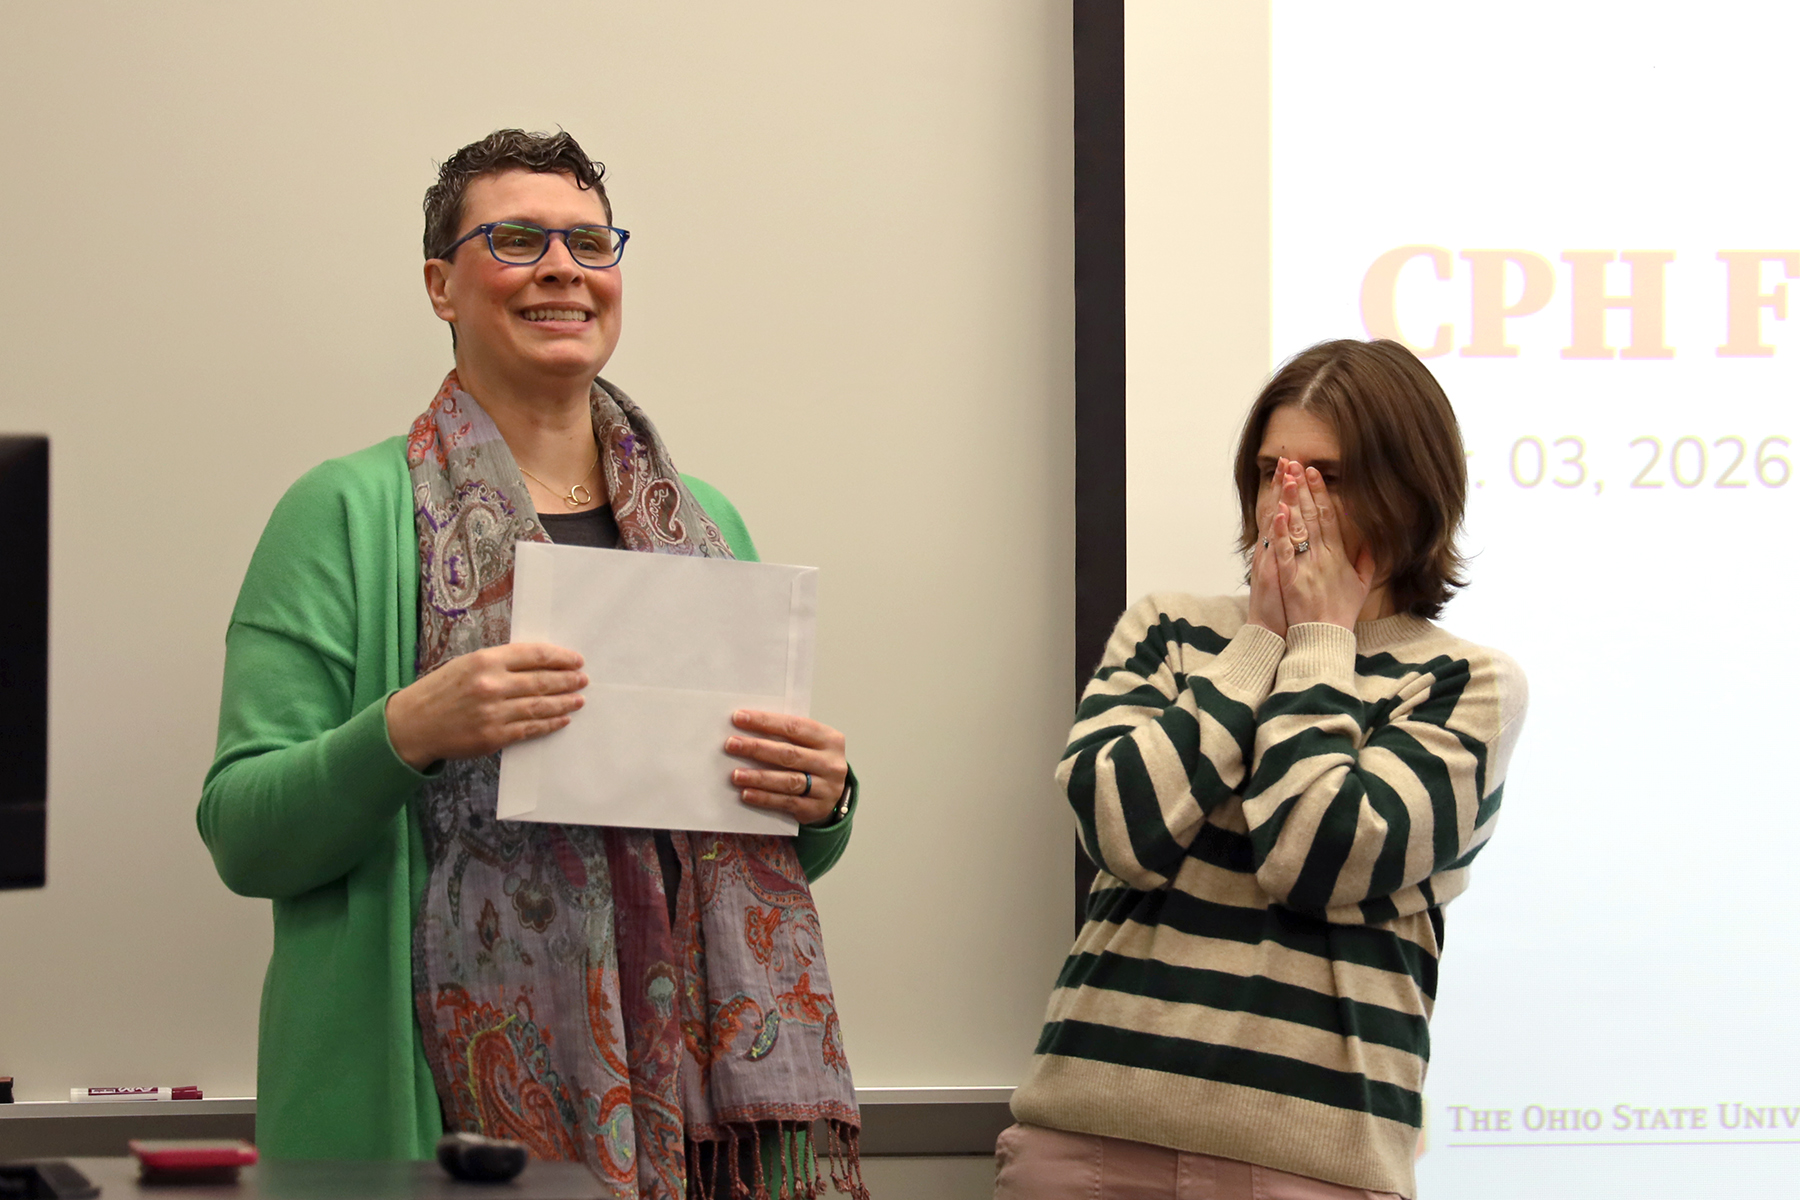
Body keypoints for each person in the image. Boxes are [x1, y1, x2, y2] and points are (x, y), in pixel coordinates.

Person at [198, 130, 865, 1200]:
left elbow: (726, 851)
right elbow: (243, 835)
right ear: (440, 286)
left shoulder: (706, 525)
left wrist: (820, 801)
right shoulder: (341, 513)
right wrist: (406, 733)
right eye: (516, 239)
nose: (564, 267)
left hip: (690, 1131)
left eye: (592, 244)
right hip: (429, 1134)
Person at [998, 340, 1528, 1200]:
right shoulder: (1168, 630)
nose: (1292, 502)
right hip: (1090, 1136)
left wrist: (1318, 643)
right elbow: (1116, 827)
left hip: (1309, 1165)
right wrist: (1256, 650)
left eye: (1326, 475)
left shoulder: (1463, 684)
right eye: (1271, 470)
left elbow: (1314, 856)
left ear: (1408, 491)